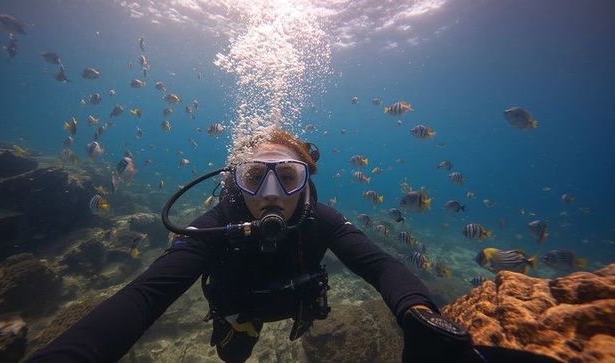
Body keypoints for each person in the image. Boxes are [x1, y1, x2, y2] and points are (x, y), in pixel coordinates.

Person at [26, 130, 479, 363]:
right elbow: (146, 295)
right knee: (233, 355)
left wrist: (418, 314)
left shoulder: (321, 219)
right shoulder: (217, 223)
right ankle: (241, 328)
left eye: (287, 177)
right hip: (239, 311)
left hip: (297, 304)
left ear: (306, 182)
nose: (269, 194)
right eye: (252, 177)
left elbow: (380, 265)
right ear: (235, 181)